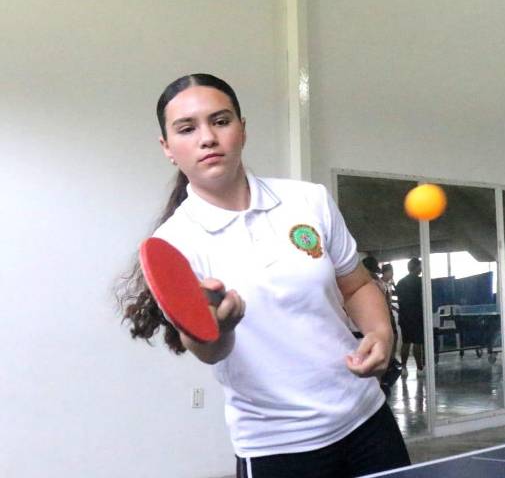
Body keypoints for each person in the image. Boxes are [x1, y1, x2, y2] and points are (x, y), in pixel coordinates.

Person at [117, 74, 410, 477]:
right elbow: (208, 351)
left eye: (220, 121)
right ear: (167, 148)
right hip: (278, 446)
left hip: (367, 419)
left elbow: (356, 283)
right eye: (187, 128)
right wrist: (220, 328)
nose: (207, 138)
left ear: (242, 129)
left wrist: (380, 333)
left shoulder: (308, 200)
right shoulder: (174, 244)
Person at [362, 256, 402, 397]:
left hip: (376, 322)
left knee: (379, 353)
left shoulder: (373, 284)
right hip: (381, 321)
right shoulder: (376, 283)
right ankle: (381, 382)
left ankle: (380, 383)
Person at [395, 258, 425, 378]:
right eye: (420, 266)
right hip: (417, 316)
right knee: (417, 343)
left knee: (406, 343)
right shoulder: (421, 282)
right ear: (416, 267)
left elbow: (398, 299)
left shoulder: (401, 282)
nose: (421, 269)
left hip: (404, 317)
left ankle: (403, 368)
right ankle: (419, 368)